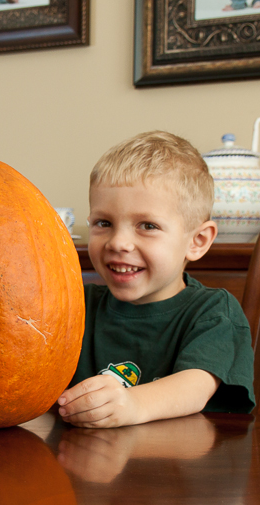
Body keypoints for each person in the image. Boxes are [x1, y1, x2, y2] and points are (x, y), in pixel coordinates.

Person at [57, 131, 255, 428]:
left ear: (197, 241)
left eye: (147, 225)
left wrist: (133, 403)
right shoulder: (78, 305)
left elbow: (196, 386)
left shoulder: (214, 312)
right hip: (84, 462)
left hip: (177, 467)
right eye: (104, 223)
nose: (118, 242)